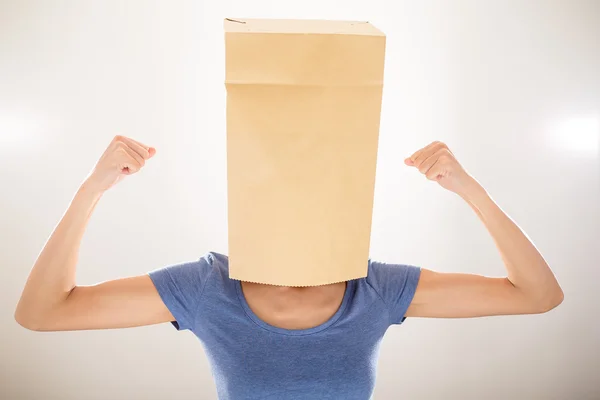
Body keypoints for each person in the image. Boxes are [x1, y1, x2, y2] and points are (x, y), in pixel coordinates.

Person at [15, 135, 563, 400]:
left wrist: (470, 190)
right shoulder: (207, 287)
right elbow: (42, 313)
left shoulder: (375, 288)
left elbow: (537, 295)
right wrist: (92, 189)